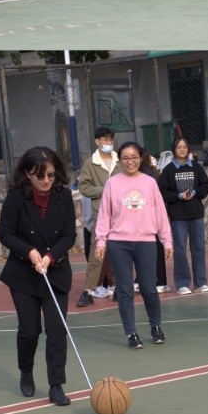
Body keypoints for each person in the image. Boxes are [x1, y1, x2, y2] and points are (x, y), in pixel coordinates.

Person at [0, 146, 77, 406]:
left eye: (51, 175)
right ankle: (26, 370)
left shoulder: (64, 197)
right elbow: (5, 233)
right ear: (27, 174)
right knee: (30, 331)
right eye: (39, 175)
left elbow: (69, 235)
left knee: (57, 330)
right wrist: (30, 252)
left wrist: (50, 256)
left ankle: (56, 385)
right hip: (24, 275)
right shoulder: (16, 198)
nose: (45, 181)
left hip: (55, 272)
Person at [94, 140, 173, 349]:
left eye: (134, 157)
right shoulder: (112, 183)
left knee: (149, 288)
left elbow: (160, 213)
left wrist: (166, 240)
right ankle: (131, 333)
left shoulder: (150, 182)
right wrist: (101, 240)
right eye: (126, 158)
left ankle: (156, 327)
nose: (130, 162)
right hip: (119, 243)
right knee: (125, 290)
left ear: (141, 158)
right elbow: (104, 214)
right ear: (120, 160)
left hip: (146, 242)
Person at [158, 135, 208, 294]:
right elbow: (162, 191)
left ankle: (201, 282)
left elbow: (206, 185)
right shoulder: (168, 170)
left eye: (184, 147)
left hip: (196, 214)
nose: (182, 150)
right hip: (178, 216)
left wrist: (195, 192)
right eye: (179, 147)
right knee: (180, 249)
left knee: (199, 249)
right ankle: (182, 283)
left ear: (188, 149)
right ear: (174, 149)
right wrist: (178, 196)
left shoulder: (196, 167)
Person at [75, 125, 119, 306]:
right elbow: (84, 187)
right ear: (97, 141)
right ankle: (88, 291)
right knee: (97, 253)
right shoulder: (90, 163)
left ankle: (119, 287)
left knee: (120, 252)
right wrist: (105, 189)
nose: (108, 142)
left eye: (110, 139)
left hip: (121, 214)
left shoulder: (120, 160)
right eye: (105, 139)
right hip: (100, 214)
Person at [140, 149, 170, 291]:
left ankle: (159, 281)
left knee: (152, 250)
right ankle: (156, 280)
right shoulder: (153, 172)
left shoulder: (147, 175)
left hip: (149, 217)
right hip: (152, 217)